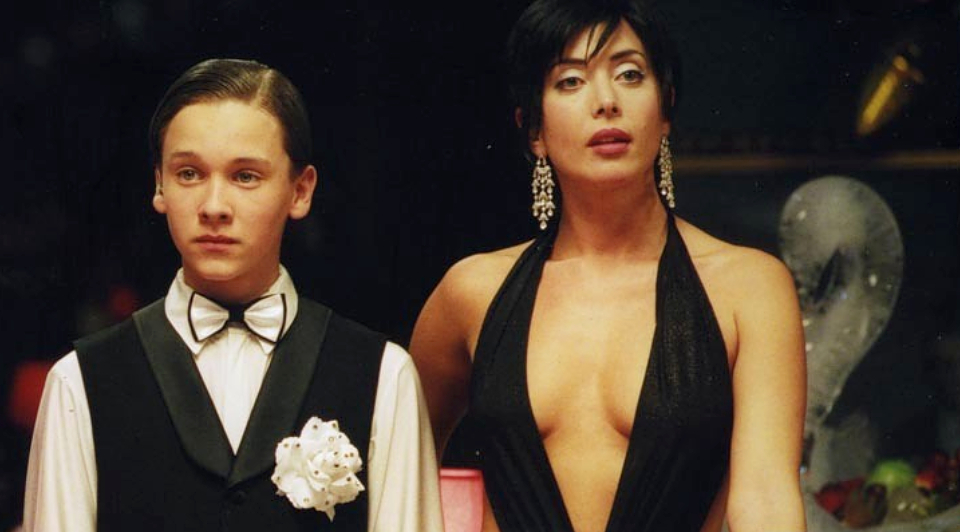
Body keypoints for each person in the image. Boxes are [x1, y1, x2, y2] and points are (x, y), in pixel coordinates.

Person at [409, 1, 807, 531]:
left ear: (665, 108)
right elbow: (397, 475)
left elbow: (766, 500)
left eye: (629, 75)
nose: (606, 102)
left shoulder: (748, 287)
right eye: (570, 81)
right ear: (533, 130)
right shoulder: (472, 291)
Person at [24, 58, 443, 532]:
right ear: (159, 185)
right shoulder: (80, 381)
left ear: (300, 191)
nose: (214, 207)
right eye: (189, 173)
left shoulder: (382, 375)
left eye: (245, 176)